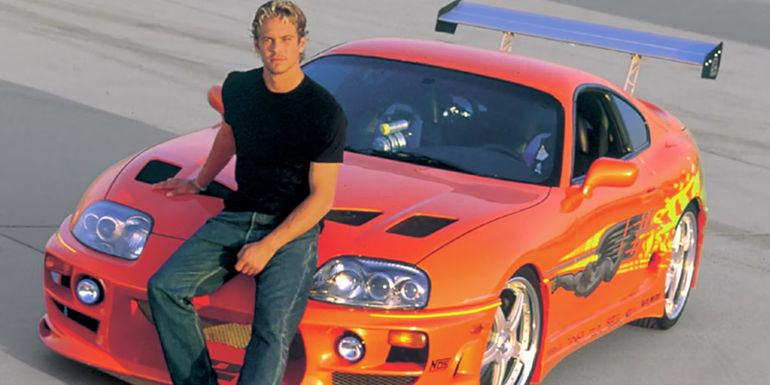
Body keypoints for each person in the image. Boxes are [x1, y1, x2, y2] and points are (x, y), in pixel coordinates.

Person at [146, 1, 346, 384]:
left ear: (302, 43)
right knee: (165, 288)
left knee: (272, 331)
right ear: (256, 44)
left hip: (292, 229)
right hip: (239, 215)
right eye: (268, 40)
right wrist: (200, 181)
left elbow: (322, 197)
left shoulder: (324, 111)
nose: (277, 49)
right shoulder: (239, 88)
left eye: (286, 40)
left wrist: (269, 246)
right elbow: (230, 133)